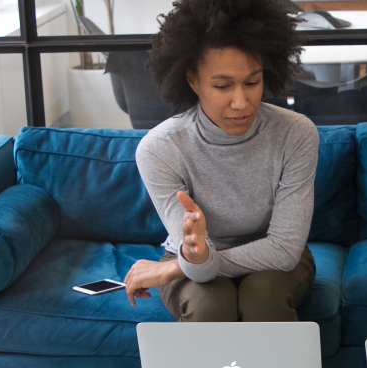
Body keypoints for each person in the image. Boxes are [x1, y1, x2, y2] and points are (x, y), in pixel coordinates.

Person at [122, 0, 319, 323]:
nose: (241, 102)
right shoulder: (159, 149)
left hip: (274, 260)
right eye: (223, 86)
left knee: (262, 299)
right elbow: (199, 260)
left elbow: (284, 250)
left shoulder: (295, 134)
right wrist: (194, 258)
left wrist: (177, 267)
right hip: (193, 257)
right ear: (192, 81)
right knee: (210, 305)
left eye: (252, 82)